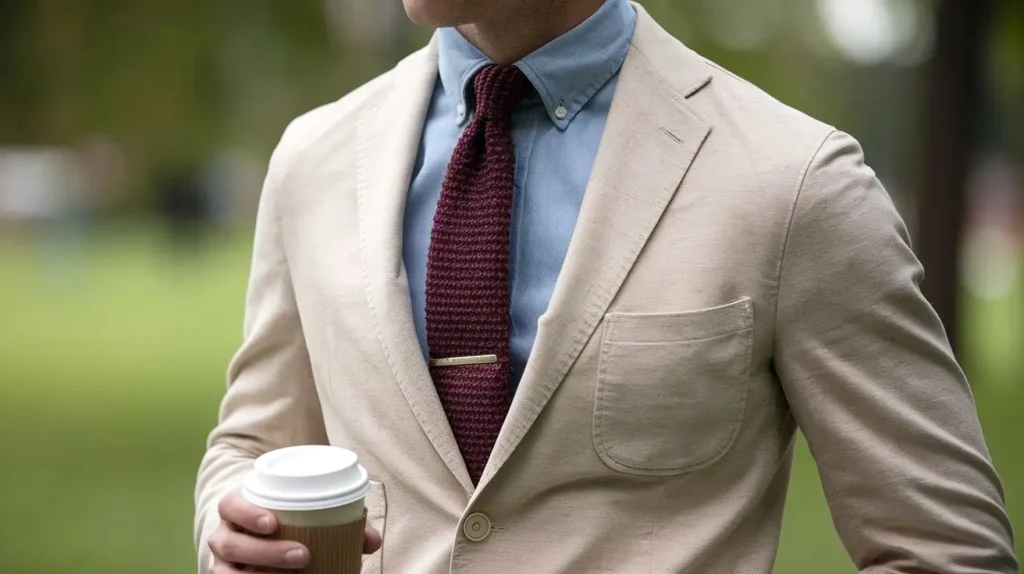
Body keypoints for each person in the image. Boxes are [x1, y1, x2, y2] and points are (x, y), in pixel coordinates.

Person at [195, 0, 1019, 572]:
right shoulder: (314, 160)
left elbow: (946, 548)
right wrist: (229, 527)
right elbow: (252, 446)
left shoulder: (795, 184)